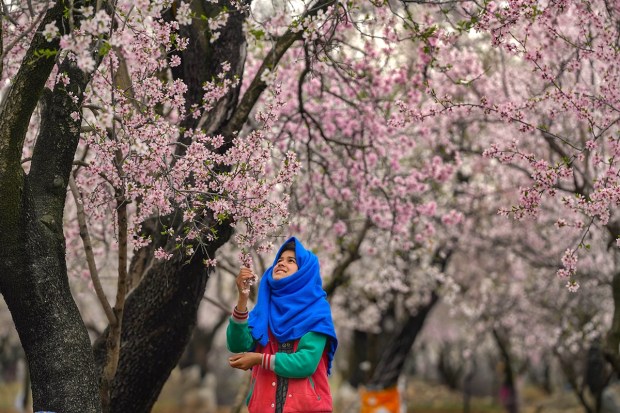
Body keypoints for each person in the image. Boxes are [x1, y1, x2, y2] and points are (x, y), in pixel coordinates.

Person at [227, 237, 338, 413]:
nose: (281, 264)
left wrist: (259, 359)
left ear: (304, 271)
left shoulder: (316, 311)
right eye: (279, 260)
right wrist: (242, 299)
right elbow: (237, 345)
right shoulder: (265, 308)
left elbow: (306, 363)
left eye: (291, 261)